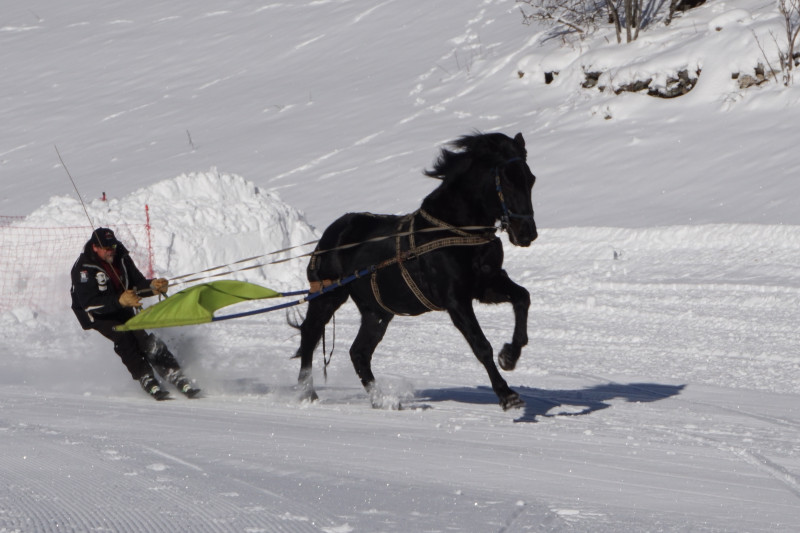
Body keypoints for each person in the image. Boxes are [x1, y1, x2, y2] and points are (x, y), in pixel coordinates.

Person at [70, 227, 200, 400]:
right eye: (106, 248)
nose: (111, 251)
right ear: (95, 247)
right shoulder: (83, 269)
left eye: (113, 247)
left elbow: (137, 284)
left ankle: (173, 372)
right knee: (124, 336)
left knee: (143, 337)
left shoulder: (121, 257)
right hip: (97, 314)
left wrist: (153, 287)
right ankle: (144, 375)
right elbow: (89, 303)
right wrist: (119, 301)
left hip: (121, 305)